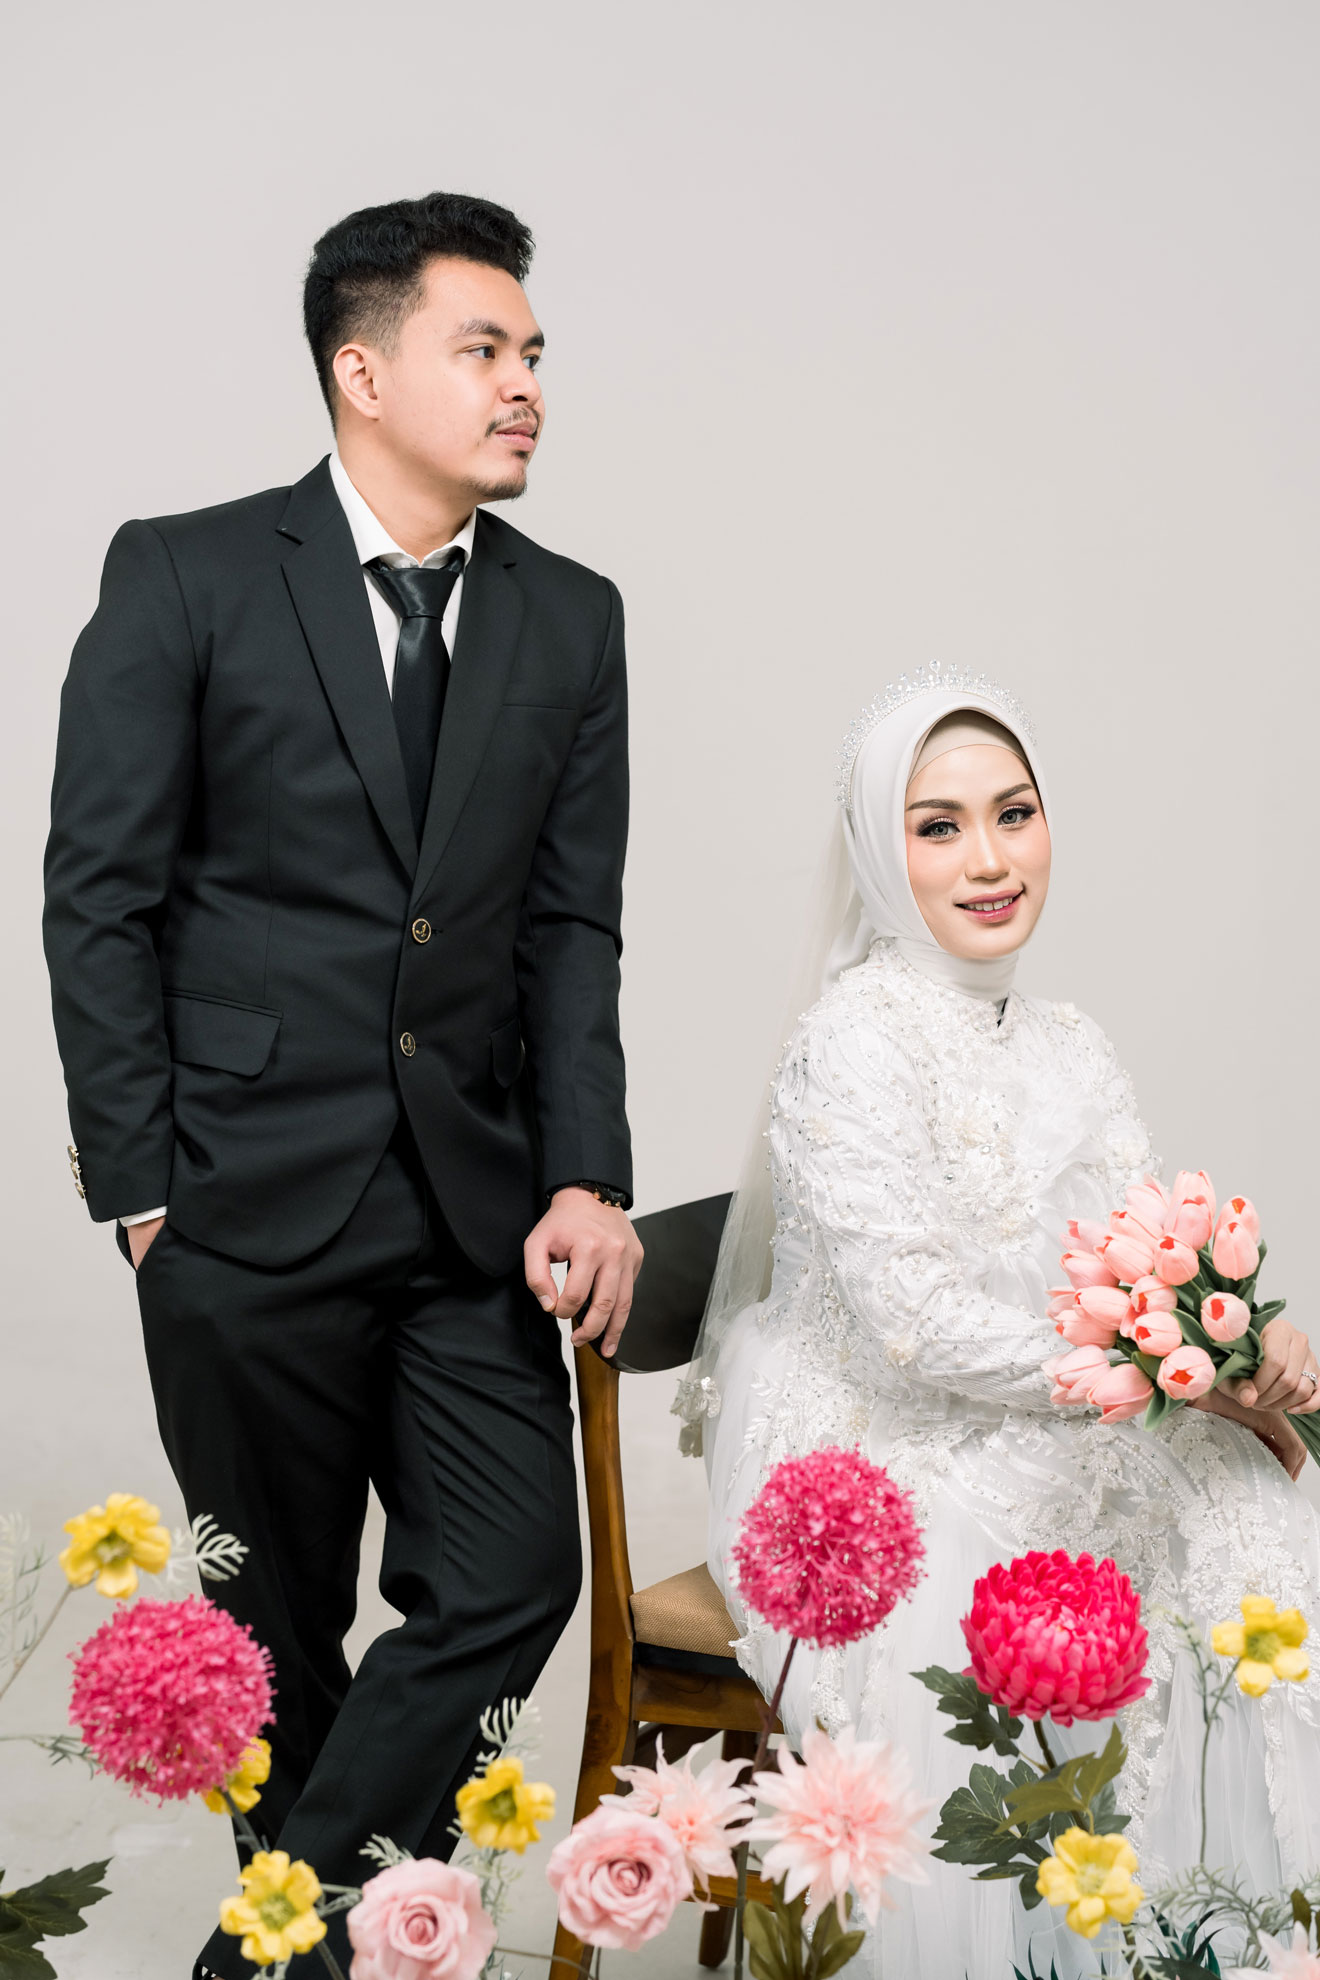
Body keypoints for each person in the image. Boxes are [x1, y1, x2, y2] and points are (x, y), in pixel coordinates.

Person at [43, 191, 643, 1979]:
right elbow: (100, 896)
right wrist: (141, 1192)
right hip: (233, 1206)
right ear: (362, 371)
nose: (526, 383)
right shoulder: (187, 573)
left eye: (533, 351)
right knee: (276, 1649)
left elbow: (571, 931)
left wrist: (586, 1174)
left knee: (512, 1575)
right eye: (485, 347)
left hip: (473, 1211)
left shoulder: (572, 620)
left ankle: (259, 1959)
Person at [680, 662, 1320, 1979]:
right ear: (881, 849)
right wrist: (1164, 1375)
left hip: (1044, 1392)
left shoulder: (1067, 1038)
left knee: (1242, 1516)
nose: (989, 859)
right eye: (939, 826)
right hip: (867, 1438)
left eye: (1013, 814)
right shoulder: (854, 1038)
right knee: (1029, 1576)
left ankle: (1213, 1937)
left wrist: (1233, 1341)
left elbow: (1141, 1251)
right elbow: (914, 1326)